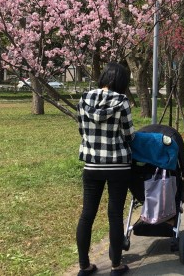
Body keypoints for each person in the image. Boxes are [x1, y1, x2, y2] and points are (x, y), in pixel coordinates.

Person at [75, 62, 135, 276]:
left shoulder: (84, 99)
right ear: (121, 81)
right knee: (115, 214)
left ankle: (84, 266)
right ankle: (116, 266)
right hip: (118, 165)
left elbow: (82, 129)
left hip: (92, 165)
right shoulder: (122, 101)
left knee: (87, 214)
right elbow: (129, 135)